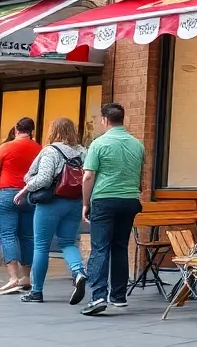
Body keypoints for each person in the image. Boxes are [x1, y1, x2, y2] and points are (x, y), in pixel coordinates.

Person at [13, 118, 87, 304]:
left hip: (51, 203)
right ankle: (79, 272)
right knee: (68, 242)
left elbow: (44, 179)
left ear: (53, 131)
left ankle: (36, 292)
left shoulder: (50, 151)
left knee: (41, 246)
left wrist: (25, 188)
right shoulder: (83, 151)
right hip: (74, 202)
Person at [80, 103, 144, 316]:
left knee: (100, 248)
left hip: (105, 199)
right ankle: (119, 295)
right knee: (120, 247)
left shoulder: (99, 144)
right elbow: (140, 175)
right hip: (130, 200)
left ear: (105, 120)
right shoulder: (137, 145)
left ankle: (98, 296)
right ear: (122, 119)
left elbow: (88, 176)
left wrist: (85, 203)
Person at [0, 118, 40, 294]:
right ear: (31, 130)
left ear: (16, 128)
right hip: (29, 194)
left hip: (7, 193)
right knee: (27, 236)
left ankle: (13, 278)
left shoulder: (5, 147)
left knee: (8, 234)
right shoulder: (39, 148)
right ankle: (26, 278)